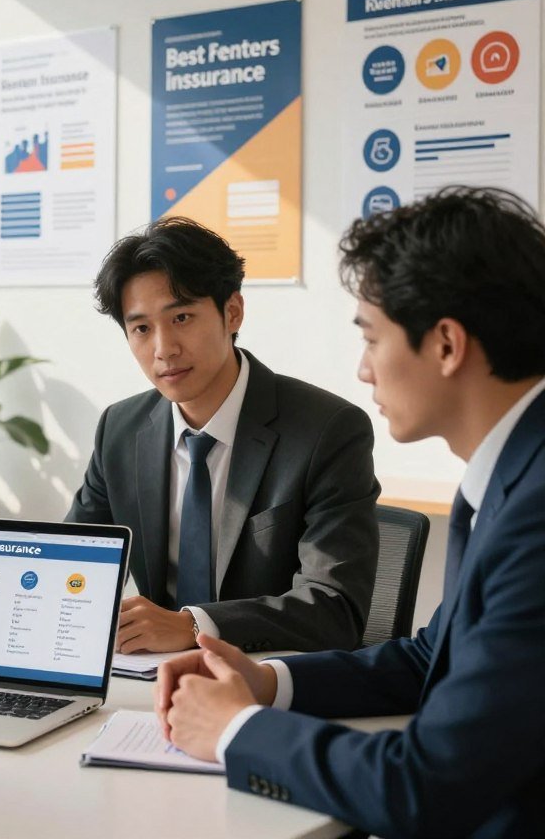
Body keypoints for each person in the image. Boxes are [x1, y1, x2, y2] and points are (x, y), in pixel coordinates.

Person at [157, 187, 545, 838]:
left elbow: (425, 787)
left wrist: (235, 730)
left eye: (371, 338)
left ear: (446, 345)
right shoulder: (513, 473)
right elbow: (431, 659)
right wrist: (266, 682)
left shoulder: (535, 513)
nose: (363, 371)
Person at [67, 217, 379, 654]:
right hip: (152, 681)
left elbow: (334, 607)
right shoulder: (121, 428)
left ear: (232, 312)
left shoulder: (327, 430)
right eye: (141, 329)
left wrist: (194, 626)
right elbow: (70, 567)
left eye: (181, 317)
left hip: (265, 681)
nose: (163, 348)